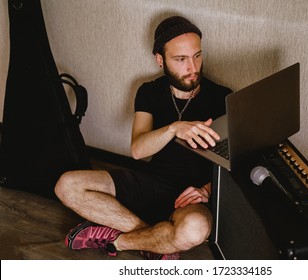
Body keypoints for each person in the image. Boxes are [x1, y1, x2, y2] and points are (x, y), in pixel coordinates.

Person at [54, 15, 232, 260]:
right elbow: (138, 150)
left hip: (191, 196)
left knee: (194, 230)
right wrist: (173, 128)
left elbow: (236, 161)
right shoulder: (149, 92)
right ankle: (155, 239)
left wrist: (207, 190)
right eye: (181, 59)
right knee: (66, 185)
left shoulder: (222, 98)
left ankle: (119, 241)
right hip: (150, 182)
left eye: (197, 56)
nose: (192, 68)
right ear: (160, 60)